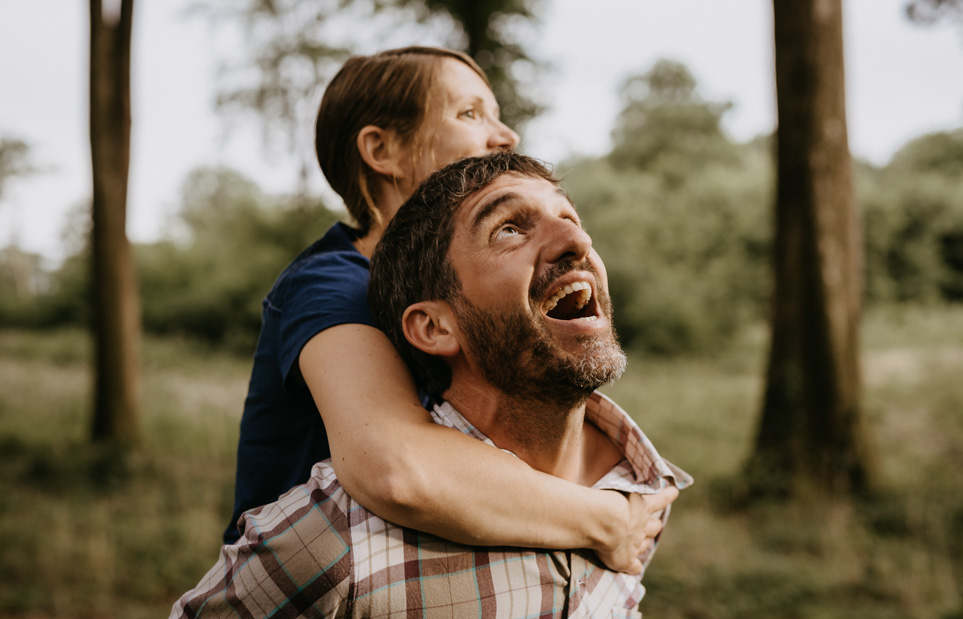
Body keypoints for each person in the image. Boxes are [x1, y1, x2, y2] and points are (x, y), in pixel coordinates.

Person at [120, 152, 692, 619]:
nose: (577, 239)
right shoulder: (334, 540)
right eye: (510, 228)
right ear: (435, 327)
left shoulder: (641, 493)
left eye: (571, 218)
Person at [226, 46, 674, 573]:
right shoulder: (332, 285)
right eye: (469, 113)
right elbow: (395, 466)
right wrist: (608, 520)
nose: (506, 136)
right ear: (381, 149)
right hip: (302, 601)